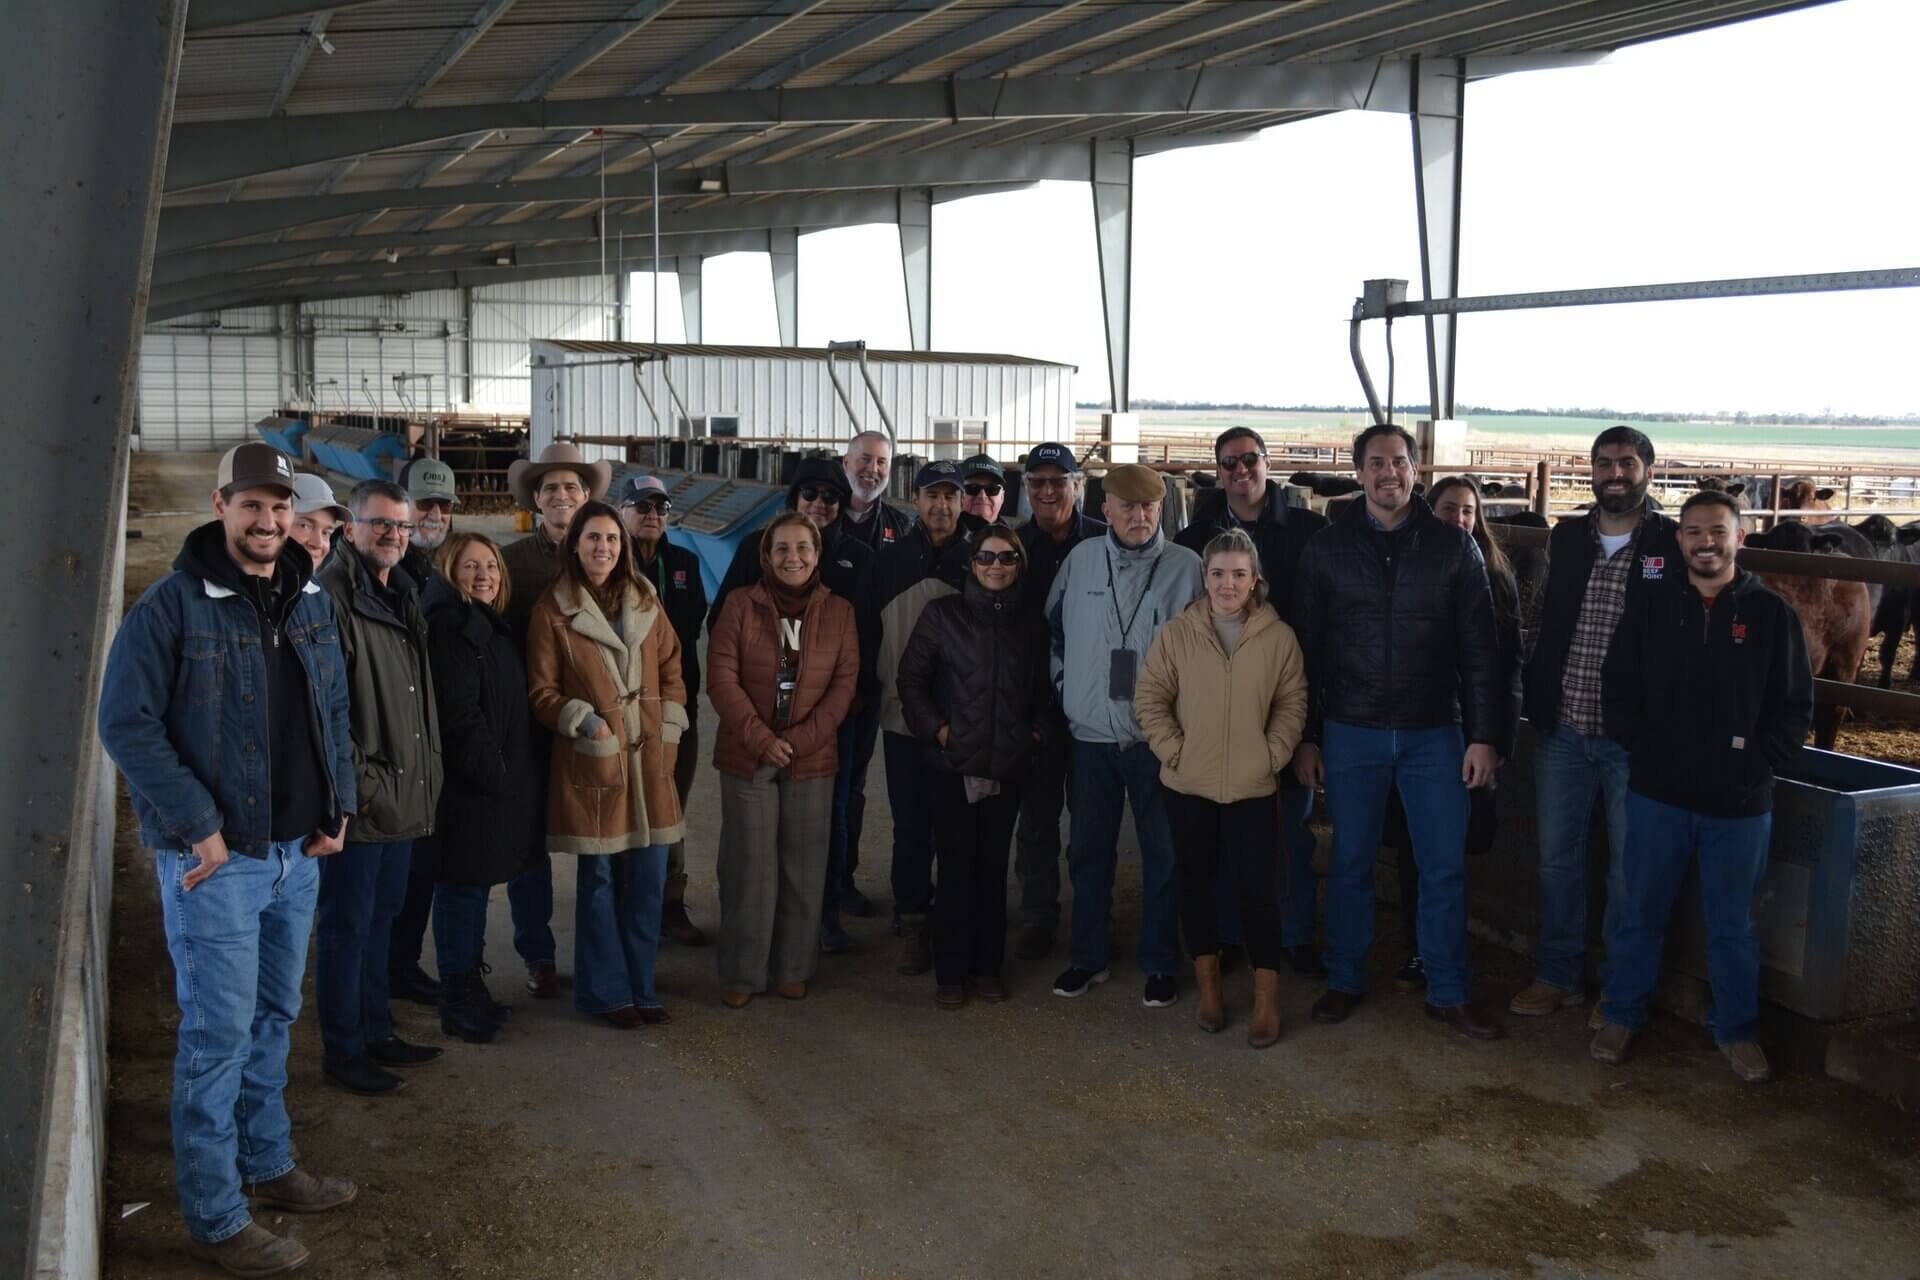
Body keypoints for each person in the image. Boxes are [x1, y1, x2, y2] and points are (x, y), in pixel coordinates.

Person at [98, 444, 358, 1276]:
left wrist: (337, 806)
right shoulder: (173, 607)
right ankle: (215, 1216)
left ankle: (268, 1162)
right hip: (218, 862)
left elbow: (334, 707)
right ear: (221, 507)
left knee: (276, 1017)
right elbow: (126, 724)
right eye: (252, 506)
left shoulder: (308, 597)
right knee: (217, 1036)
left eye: (280, 508)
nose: (269, 521)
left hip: (295, 854)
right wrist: (197, 825)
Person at [1290, 424, 1506, 1040]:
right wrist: (1307, 735)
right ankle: (1345, 977)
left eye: (1401, 462)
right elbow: (1303, 650)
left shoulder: (1452, 547)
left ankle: (1448, 988)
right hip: (1350, 727)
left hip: (1434, 729)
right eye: (1377, 463)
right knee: (1351, 860)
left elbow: (1481, 651)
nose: (1390, 473)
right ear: (1358, 472)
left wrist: (1484, 735)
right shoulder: (1328, 548)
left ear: (1417, 470)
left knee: (1442, 866)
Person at [1594, 490, 1813, 1082]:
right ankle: (1621, 1012)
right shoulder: (1653, 609)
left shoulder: (1771, 615)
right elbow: (1617, 690)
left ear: (1740, 537)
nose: (1706, 542)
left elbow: (1795, 708)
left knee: (1734, 923)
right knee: (1640, 910)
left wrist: (1757, 763)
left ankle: (1736, 1030)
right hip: (1658, 794)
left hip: (1738, 804)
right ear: (1680, 540)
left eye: (1718, 531)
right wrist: (1645, 750)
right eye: (1694, 532)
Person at [1512, 425, 1682, 1020]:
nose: (1615, 473)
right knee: (1557, 859)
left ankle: (1620, 989)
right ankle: (1558, 975)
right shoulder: (1568, 536)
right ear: (1592, 470)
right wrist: (1532, 689)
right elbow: (1538, 618)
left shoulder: (1671, 542)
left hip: (1631, 737)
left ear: (1648, 472)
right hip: (1562, 725)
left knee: (1628, 870)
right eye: (1605, 462)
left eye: (1627, 463)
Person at [1136, 528, 1308, 1046]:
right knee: (1196, 882)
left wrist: (1272, 755)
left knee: (1257, 890)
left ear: (1255, 579)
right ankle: (1209, 988)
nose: (1227, 584)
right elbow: (1150, 699)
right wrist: (1176, 752)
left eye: (1238, 574)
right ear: (1204, 578)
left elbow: (1292, 703)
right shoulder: (1177, 634)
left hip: (1253, 786)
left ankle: (1265, 998)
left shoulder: (1278, 638)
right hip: (1189, 784)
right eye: (1217, 574)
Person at [1174, 427, 1329, 979]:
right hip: (1215, 712)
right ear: (1218, 471)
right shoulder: (1193, 540)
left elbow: (1322, 630)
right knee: (1221, 835)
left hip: (1286, 702)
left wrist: (1308, 729)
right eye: (1230, 463)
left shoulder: (1311, 533)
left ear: (1268, 463)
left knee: (1288, 832)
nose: (1241, 471)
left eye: (1250, 460)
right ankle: (1230, 934)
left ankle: (1294, 935)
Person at [1046, 463, 1203, 1007]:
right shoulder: (1080, 561)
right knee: (1089, 851)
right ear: (1105, 508)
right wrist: (1067, 688)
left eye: (1149, 508)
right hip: (1091, 739)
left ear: (1162, 509)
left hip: (1159, 741)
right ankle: (1087, 957)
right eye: (1127, 507)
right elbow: (1054, 634)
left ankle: (1160, 961)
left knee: (1165, 854)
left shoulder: (1188, 568)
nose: (1139, 517)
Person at [526, 499, 687, 1029]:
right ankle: (606, 991)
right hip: (597, 760)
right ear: (574, 544)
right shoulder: (554, 609)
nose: (604, 548)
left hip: (648, 761)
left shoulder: (646, 598)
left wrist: (669, 723)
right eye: (593, 538)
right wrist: (585, 721)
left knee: (646, 879)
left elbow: (670, 664)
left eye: (612, 539)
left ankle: (642, 985)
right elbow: (542, 691)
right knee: (597, 882)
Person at [314, 478, 446, 1092]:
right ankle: (344, 1050)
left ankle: (375, 1031)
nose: (393, 534)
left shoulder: (400, 591)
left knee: (380, 920)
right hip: (365, 801)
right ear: (351, 529)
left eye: (400, 525)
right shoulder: (333, 597)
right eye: (380, 524)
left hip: (399, 794)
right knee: (347, 926)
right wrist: (361, 787)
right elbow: (326, 710)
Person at [711, 457, 875, 950]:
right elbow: (722, 630)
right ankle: (752, 934)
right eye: (811, 495)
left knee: (828, 820)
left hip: (834, 716)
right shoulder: (753, 551)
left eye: (830, 497)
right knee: (754, 836)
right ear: (793, 499)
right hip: (760, 718)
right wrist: (757, 725)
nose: (820, 504)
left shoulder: (859, 557)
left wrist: (840, 707)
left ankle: (821, 917)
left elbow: (864, 640)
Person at [898, 523, 1056, 1008]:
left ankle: (988, 967)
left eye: (1006, 558)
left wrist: (1033, 734)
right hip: (951, 767)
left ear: (1019, 565)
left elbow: (1046, 693)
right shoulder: (942, 615)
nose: (995, 567)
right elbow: (911, 682)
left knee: (993, 868)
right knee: (955, 867)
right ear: (971, 564)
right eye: (986, 558)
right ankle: (951, 970)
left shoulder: (1032, 624)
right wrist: (942, 733)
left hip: (1007, 768)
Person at [1381, 475, 1524, 993]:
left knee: (1459, 844)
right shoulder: (1414, 565)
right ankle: (1420, 947)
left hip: (1470, 730)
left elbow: (1507, 669)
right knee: (1411, 841)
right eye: (1448, 509)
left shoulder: (1496, 577)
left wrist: (1495, 738)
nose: (1459, 519)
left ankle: (1443, 947)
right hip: (1420, 725)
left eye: (1468, 512)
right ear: (1429, 511)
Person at [423, 532, 544, 1044]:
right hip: (470, 788)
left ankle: (471, 985)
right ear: (449, 571)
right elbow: (460, 715)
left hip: (495, 784)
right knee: (461, 890)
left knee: (471, 890)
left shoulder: (491, 626)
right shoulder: (452, 629)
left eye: (491, 566)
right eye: (470, 566)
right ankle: (458, 995)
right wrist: (495, 773)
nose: (484, 575)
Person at [862, 459, 982, 975]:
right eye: (931, 496)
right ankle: (912, 918)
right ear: (915, 501)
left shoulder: (981, 558)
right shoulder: (887, 563)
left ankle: (956, 917)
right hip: (901, 720)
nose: (940, 506)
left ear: (962, 502)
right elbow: (864, 633)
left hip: (962, 722)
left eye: (950, 496)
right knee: (911, 825)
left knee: (958, 825)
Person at [502, 443, 613, 999]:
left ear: (587, 496)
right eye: (550, 489)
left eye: (571, 487)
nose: (561, 496)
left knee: (599, 837)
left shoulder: (608, 556)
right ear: (536, 500)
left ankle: (599, 956)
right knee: (529, 844)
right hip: (531, 720)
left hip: (597, 723)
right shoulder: (513, 561)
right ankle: (537, 953)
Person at [1010, 442, 1106, 961]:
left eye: (1058, 481)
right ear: (1026, 489)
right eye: (1037, 482)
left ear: (1078, 485)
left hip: (1094, 705)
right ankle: (1039, 916)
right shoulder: (1012, 546)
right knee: (1038, 820)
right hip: (1036, 707)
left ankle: (1093, 919)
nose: (1048, 491)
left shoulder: (1105, 541)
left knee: (1092, 824)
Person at [618, 474, 712, 949]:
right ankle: (630, 899)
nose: (652, 514)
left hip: (677, 707)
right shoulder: (608, 564)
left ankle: (670, 901)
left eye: (661, 506)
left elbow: (693, 627)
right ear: (622, 511)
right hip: (624, 709)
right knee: (624, 803)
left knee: (671, 804)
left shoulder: (686, 565)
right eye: (642, 506)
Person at [389, 455, 463, 1008]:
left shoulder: (453, 567)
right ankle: (392, 967)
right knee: (402, 868)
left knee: (425, 863)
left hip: (438, 742)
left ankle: (403, 962)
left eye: (441, 505)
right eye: (423, 503)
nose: (432, 513)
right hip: (398, 743)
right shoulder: (390, 569)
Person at [839, 429, 913, 552]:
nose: (873, 469)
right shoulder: (824, 515)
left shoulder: (900, 525)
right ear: (846, 462)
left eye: (881, 462)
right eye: (865, 459)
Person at [290, 471, 349, 571]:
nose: (318, 543)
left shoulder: (318, 586)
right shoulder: (257, 585)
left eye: (326, 533)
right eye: (304, 526)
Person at [960, 453, 1006, 523]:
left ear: (1002, 497)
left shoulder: (1017, 533)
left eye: (992, 489)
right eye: (973, 488)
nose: (982, 496)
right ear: (957, 495)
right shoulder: (940, 533)